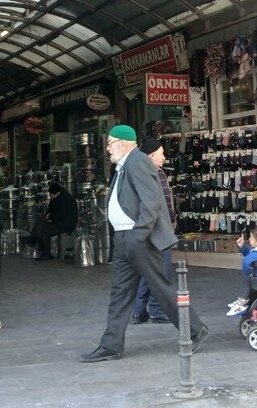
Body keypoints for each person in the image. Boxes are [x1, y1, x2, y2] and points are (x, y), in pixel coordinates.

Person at [80, 125, 208, 362]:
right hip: (124, 238)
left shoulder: (138, 161)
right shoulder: (124, 166)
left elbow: (151, 202)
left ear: (123, 144)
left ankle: (195, 329)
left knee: (161, 288)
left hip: (137, 238)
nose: (107, 148)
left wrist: (139, 235)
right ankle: (111, 345)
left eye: (110, 143)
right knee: (120, 292)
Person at [131, 137, 176, 325]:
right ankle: (156, 311)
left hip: (153, 228)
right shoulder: (151, 174)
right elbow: (159, 203)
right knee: (162, 271)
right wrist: (170, 222)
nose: (164, 157)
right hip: (157, 229)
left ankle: (138, 311)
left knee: (149, 271)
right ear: (151, 155)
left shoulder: (149, 172)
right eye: (161, 154)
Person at [27, 182, 78, 261]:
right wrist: (48, 215)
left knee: (45, 230)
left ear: (56, 193)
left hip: (67, 224)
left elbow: (62, 214)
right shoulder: (58, 197)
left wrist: (50, 217)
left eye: (51, 194)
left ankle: (46, 253)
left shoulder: (65, 200)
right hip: (60, 221)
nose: (50, 196)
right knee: (41, 220)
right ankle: (34, 239)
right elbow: (51, 209)